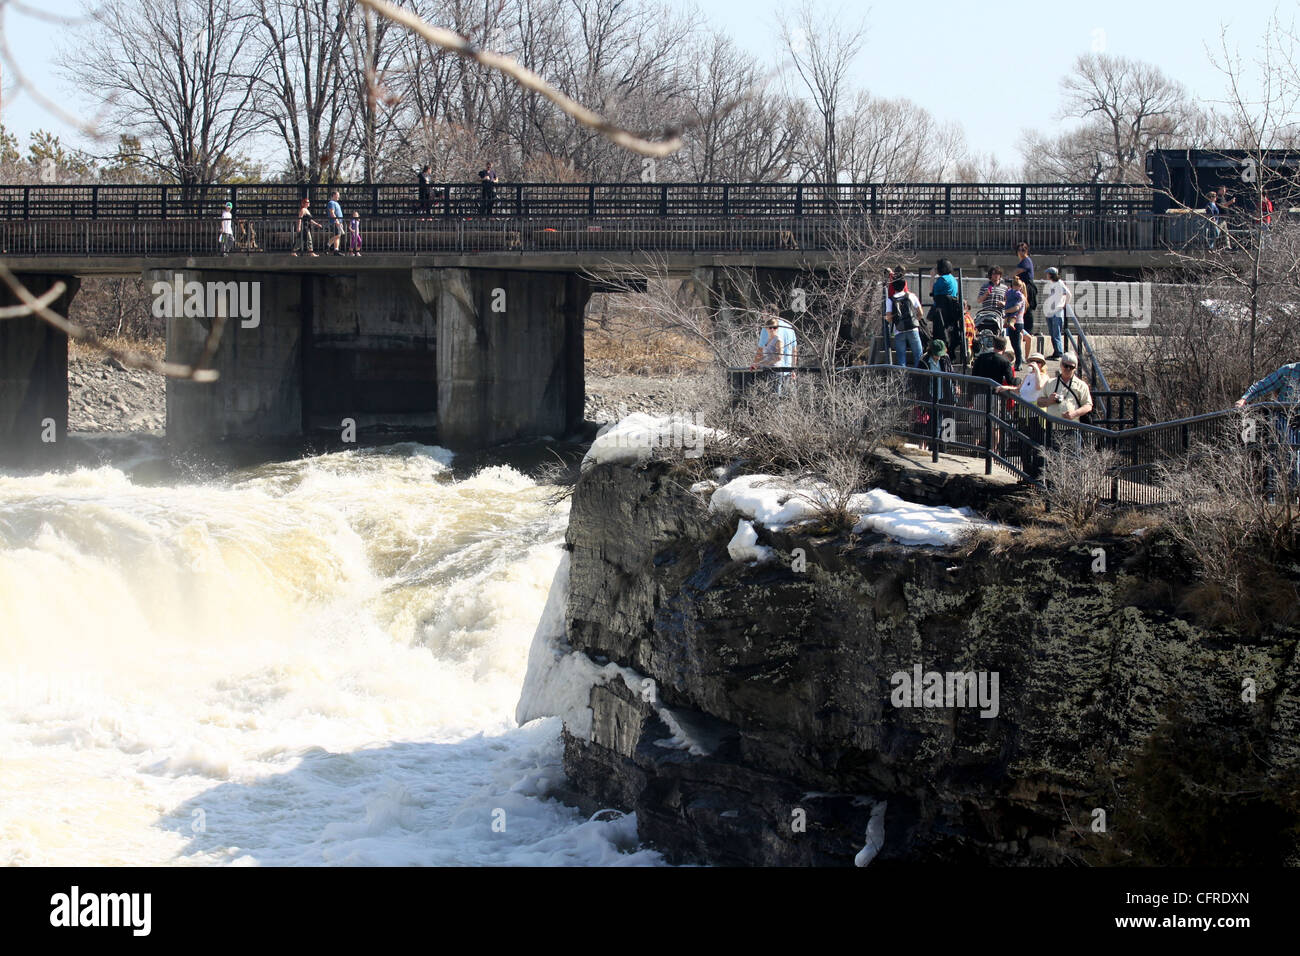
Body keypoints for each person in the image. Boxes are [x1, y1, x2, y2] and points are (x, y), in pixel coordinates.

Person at [1237, 360, 1300, 491]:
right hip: (1285, 417)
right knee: (1288, 452)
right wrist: (1245, 398)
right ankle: (1285, 493)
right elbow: (1263, 385)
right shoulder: (1289, 371)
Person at [1036, 352, 1093, 422]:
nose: (1068, 369)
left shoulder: (1081, 385)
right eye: (1065, 366)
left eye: (1071, 367)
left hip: (1072, 427)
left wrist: (1074, 414)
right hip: (1052, 427)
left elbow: (1088, 405)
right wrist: (1049, 400)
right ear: (1061, 365)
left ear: (1075, 368)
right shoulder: (1050, 383)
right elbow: (1039, 402)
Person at [885, 276, 924, 369]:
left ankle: (902, 380)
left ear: (893, 287)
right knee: (918, 355)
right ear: (904, 285)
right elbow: (921, 313)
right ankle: (919, 379)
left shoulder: (890, 300)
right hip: (913, 329)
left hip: (899, 331)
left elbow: (889, 318)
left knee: (901, 359)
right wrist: (915, 320)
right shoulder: (911, 296)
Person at [929, 258, 963, 364]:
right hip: (952, 312)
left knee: (939, 335)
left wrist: (932, 277)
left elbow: (932, 292)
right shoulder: (953, 279)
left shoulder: (942, 280)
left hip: (941, 312)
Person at [1041, 266, 1071, 360]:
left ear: (1051, 274)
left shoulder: (1059, 283)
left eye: (1048, 274)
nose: (1046, 275)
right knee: (1053, 334)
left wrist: (1064, 304)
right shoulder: (1052, 284)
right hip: (1051, 312)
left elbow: (1068, 294)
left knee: (1056, 334)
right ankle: (1056, 352)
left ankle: (1059, 353)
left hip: (1056, 312)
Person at [1003, 275, 1028, 371]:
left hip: (1018, 322)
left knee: (1017, 343)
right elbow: (1007, 299)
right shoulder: (1012, 294)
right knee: (1013, 342)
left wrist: (1006, 311)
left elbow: (1016, 308)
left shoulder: (1020, 296)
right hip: (1012, 320)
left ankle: (1019, 362)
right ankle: (1018, 361)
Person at [1014, 242, 1036, 334]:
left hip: (1027, 287)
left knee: (1027, 308)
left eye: (1023, 250)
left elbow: (1018, 271)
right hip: (1022, 286)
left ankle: (1028, 331)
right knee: (1022, 308)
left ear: (1027, 251)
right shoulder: (1022, 261)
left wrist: (1009, 276)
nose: (1021, 252)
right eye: (1019, 250)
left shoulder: (1026, 261)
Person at [326, 190, 344, 255]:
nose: (338, 197)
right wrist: (336, 220)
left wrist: (340, 222)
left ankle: (336, 250)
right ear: (333, 195)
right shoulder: (331, 203)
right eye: (337, 195)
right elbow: (332, 212)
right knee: (337, 235)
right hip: (335, 221)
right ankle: (328, 245)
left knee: (338, 236)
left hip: (339, 221)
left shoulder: (337, 203)